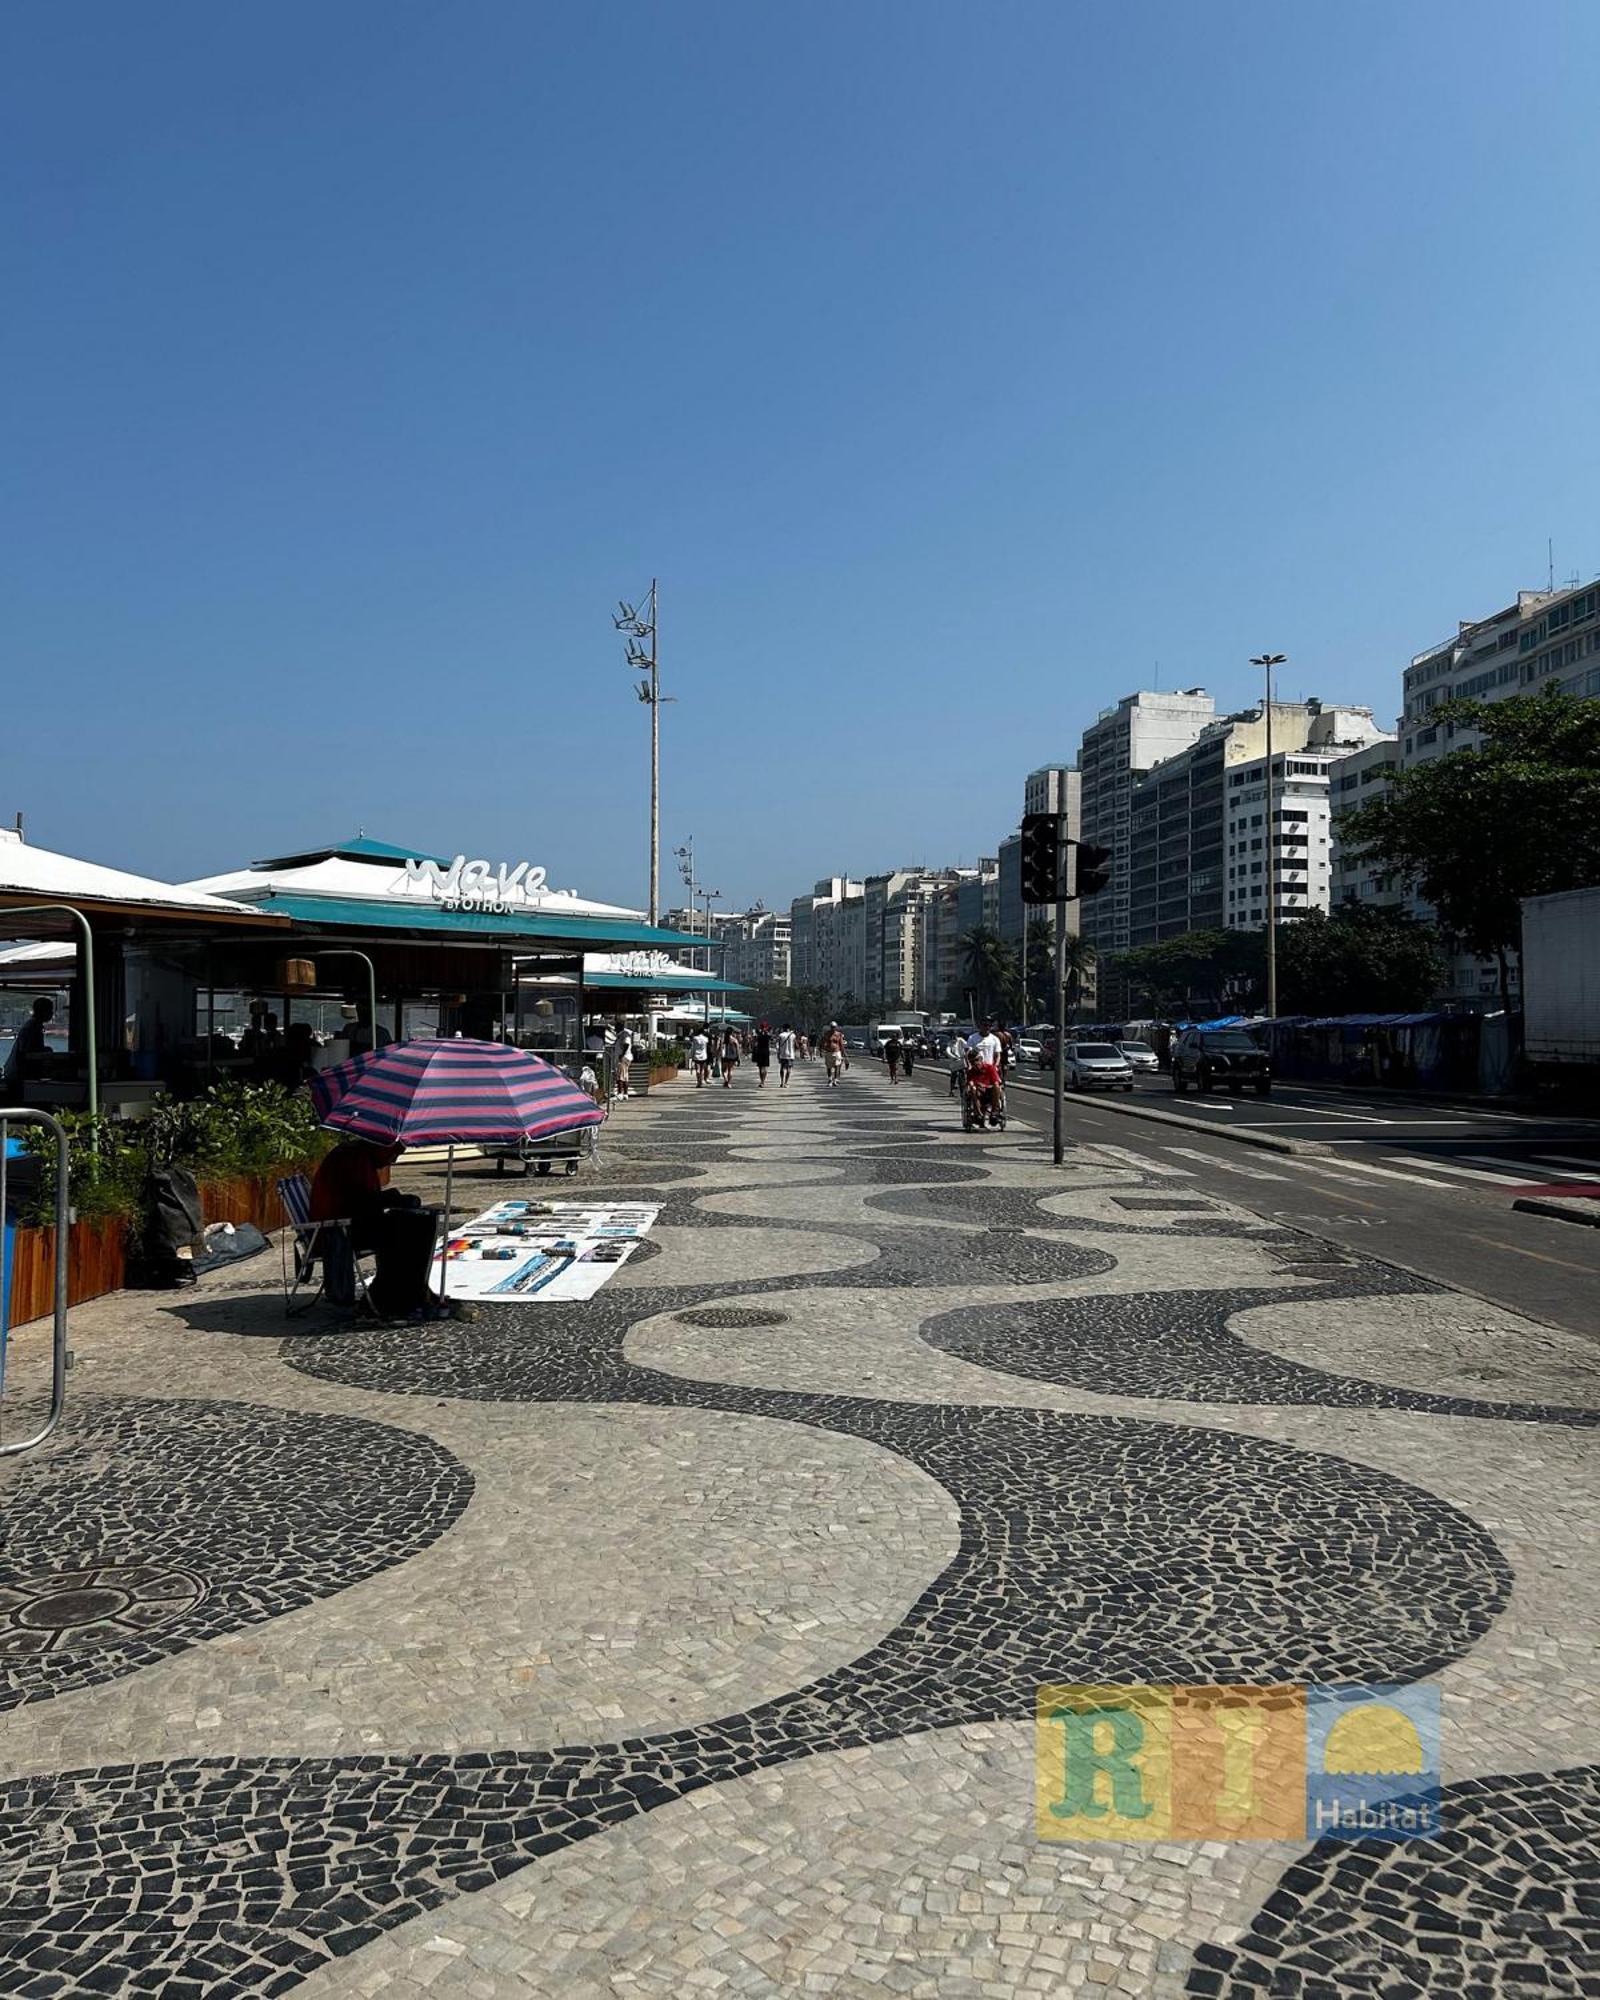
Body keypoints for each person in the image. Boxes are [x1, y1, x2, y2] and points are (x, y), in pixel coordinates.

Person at [2, 996, 54, 1085]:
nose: (52, 1013)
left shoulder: (33, 1025)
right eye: (50, 1010)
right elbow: (26, 1052)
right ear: (43, 1011)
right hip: (17, 1074)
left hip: (16, 1073)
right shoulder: (32, 1027)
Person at [966, 1051, 1002, 1128]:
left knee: (997, 1086)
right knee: (973, 1088)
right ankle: (978, 1114)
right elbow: (969, 1082)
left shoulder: (990, 1068)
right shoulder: (971, 1072)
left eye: (976, 1060)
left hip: (990, 1092)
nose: (975, 1063)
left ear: (981, 1059)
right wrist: (972, 1084)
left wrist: (986, 1086)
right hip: (978, 1094)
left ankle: (994, 1113)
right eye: (972, 1062)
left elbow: (996, 1081)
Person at [820, 1022, 846, 1087]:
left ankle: (835, 1080)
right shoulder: (827, 1034)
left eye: (834, 1027)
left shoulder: (838, 1034)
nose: (833, 1028)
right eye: (832, 1027)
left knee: (837, 1065)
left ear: (836, 1027)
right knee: (829, 1067)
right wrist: (821, 1050)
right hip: (828, 1052)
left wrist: (844, 1053)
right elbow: (822, 1042)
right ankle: (830, 1079)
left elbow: (841, 1044)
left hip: (837, 1052)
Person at [776, 1022, 797, 1087]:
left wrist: (778, 1053)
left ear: (783, 1028)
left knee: (782, 1068)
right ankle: (786, 1083)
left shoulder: (781, 1035)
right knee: (789, 1069)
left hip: (783, 1054)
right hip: (791, 1054)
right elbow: (796, 1045)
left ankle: (782, 1082)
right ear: (789, 1028)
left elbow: (778, 1045)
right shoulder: (793, 1035)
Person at [751, 1022, 772, 1087]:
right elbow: (770, 1040)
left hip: (759, 1052)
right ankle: (763, 1081)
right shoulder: (768, 1034)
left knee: (760, 1068)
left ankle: (761, 1081)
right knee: (764, 1067)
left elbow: (754, 1042)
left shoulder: (758, 1034)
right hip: (766, 1052)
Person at [615, 1025, 633, 1100]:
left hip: (624, 1058)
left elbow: (626, 1044)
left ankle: (620, 1093)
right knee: (625, 1076)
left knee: (620, 1076)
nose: (615, 1028)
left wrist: (622, 1054)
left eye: (616, 1027)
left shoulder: (625, 1034)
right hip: (625, 1057)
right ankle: (625, 1093)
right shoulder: (622, 1034)